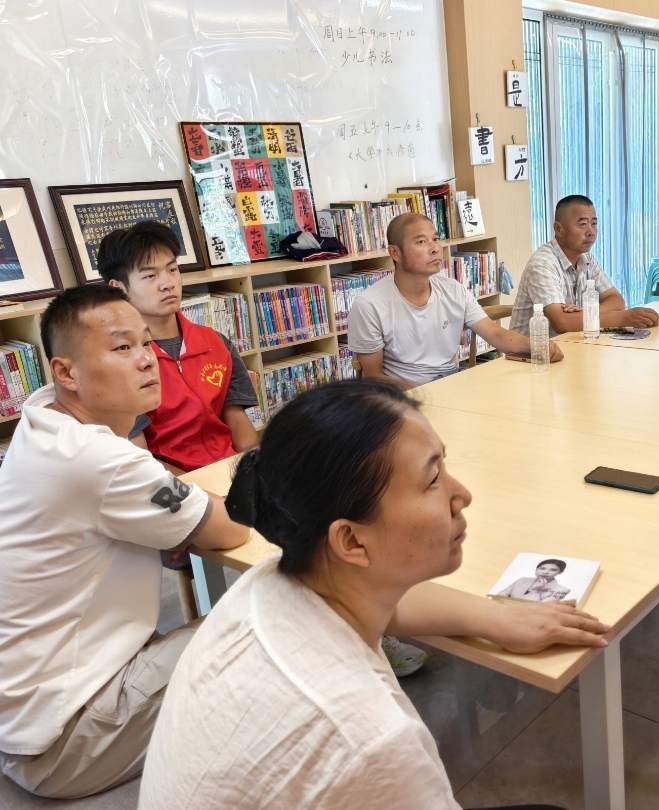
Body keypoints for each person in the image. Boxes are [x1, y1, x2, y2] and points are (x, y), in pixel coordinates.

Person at [139, 379, 609, 809]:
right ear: (351, 541)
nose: (462, 495)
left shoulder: (272, 582)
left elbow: (386, 598)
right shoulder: (372, 742)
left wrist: (492, 617)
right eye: (432, 480)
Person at [0, 286, 248, 799]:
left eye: (146, 343)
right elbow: (231, 529)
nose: (146, 360)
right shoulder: (100, 460)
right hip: (64, 742)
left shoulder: (44, 413)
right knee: (275, 620)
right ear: (66, 372)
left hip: (26, 715)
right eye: (121, 347)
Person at [97, 221, 259, 475]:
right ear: (118, 289)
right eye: (150, 276)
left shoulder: (216, 343)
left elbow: (242, 432)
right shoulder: (120, 363)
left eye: (172, 269)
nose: (168, 283)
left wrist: (257, 474)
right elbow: (140, 459)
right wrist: (198, 492)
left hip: (230, 473)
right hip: (172, 485)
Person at [350, 213, 564, 387]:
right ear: (395, 252)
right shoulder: (369, 304)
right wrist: (428, 395)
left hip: (452, 380)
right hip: (405, 395)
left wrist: (537, 345)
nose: (435, 248)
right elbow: (373, 378)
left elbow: (497, 335)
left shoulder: (453, 289)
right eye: (421, 242)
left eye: (435, 239)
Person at [509, 195, 659, 336]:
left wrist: (584, 313)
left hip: (570, 345)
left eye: (594, 224)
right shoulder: (542, 265)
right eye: (582, 224)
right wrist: (621, 319)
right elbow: (562, 323)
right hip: (531, 352)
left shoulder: (586, 258)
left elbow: (616, 300)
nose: (591, 232)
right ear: (559, 229)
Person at [498, 559, 572, 602]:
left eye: (553, 570)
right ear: (536, 569)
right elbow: (501, 594)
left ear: (560, 572)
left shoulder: (562, 590)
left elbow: (538, 608)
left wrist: (535, 591)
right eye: (542, 568)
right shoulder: (522, 580)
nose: (545, 572)